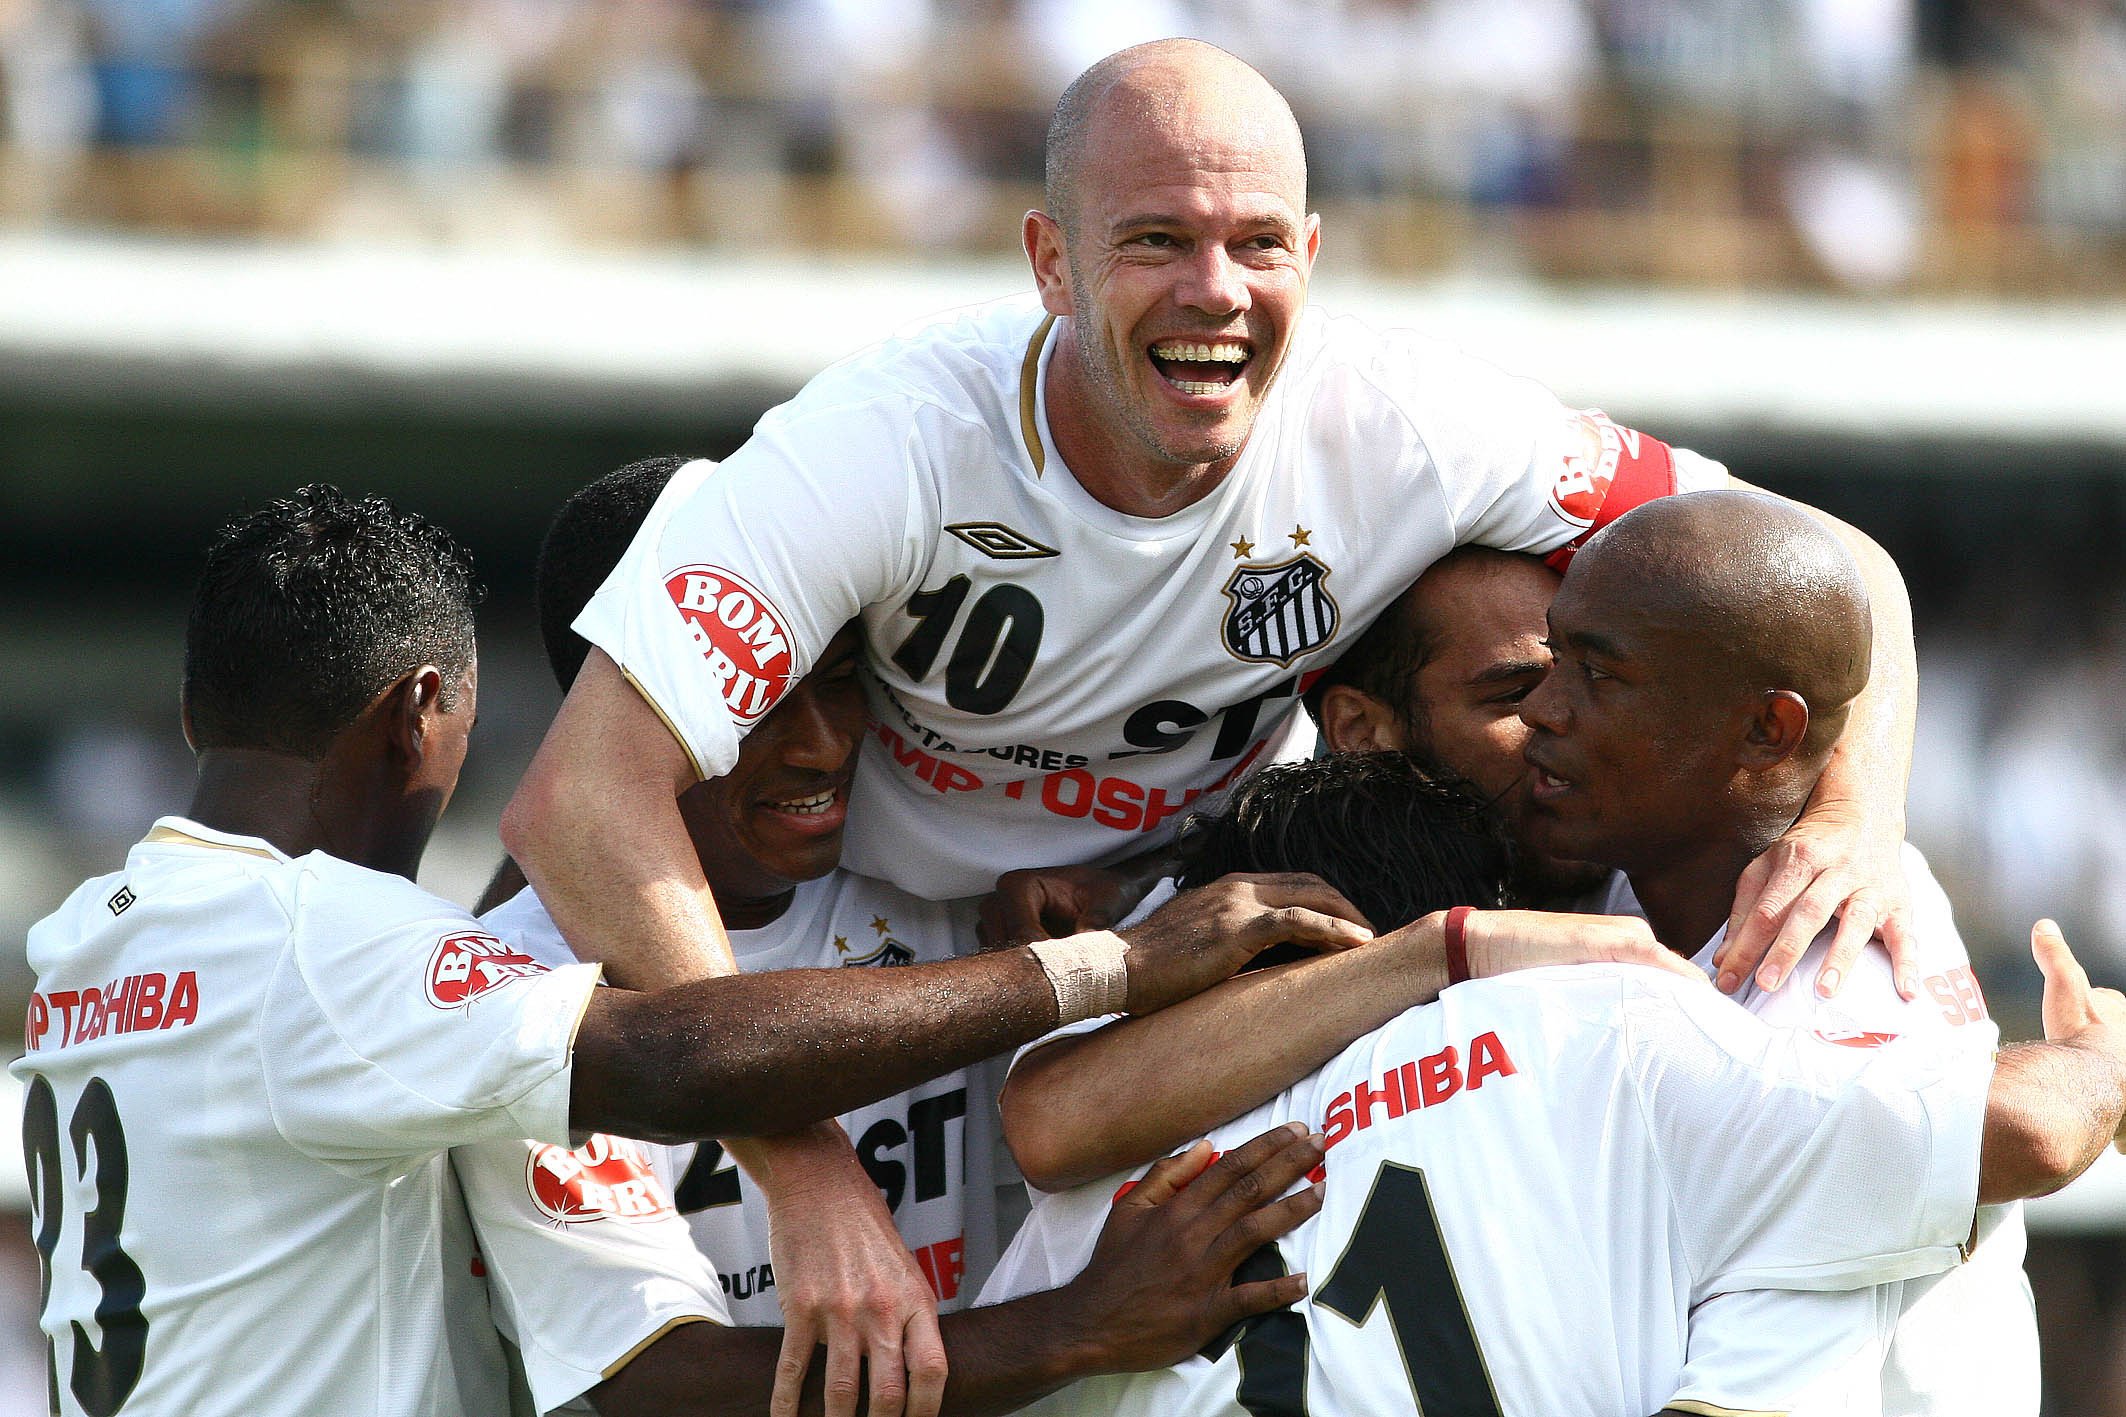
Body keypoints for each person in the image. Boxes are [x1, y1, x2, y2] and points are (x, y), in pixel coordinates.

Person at [504, 41, 1928, 1400]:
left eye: (1256, 242)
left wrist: (1859, 812)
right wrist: (799, 1167)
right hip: (846, 956)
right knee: (792, 1345)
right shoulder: (883, 443)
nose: (1214, 290)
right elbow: (579, 801)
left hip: (1202, 933)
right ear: (1049, 262)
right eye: (1152, 242)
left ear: (1312, 254)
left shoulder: (1403, 424)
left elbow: (1815, 558)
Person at [13, 485, 1367, 1417]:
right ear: (428, 712)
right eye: (753, 694)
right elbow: (669, 1088)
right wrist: (1078, 1308)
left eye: (841, 680)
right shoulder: (356, 954)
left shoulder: (88, 946)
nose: (815, 738)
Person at [1001, 494, 2039, 1411]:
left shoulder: (1810, 920)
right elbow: (1052, 1118)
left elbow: (1810, 575)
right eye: (1512, 693)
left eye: (1592, 676)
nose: (1551, 716)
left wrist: (1860, 802)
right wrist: (1441, 951)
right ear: (1362, 729)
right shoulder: (1578, 980)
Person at [977, 754, 2126, 1417]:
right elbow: (2021, 1126)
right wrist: (2102, 1061)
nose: (1548, 726)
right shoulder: (1614, 1032)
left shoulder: (1115, 1183)